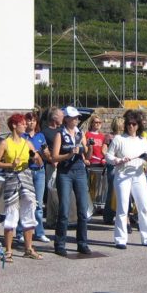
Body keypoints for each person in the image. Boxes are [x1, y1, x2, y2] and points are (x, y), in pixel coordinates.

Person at [0, 114, 43, 262]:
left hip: (26, 179)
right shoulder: (5, 143)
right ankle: (8, 251)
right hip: (11, 179)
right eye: (22, 123)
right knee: (11, 214)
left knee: (29, 212)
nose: (25, 125)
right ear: (14, 125)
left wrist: (35, 156)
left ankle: (29, 248)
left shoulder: (27, 143)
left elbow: (39, 163)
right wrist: (10, 165)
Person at [105, 109, 147, 249]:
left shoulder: (143, 140)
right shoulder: (119, 139)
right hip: (122, 175)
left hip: (138, 175)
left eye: (134, 124)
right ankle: (120, 239)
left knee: (143, 206)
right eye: (128, 123)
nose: (131, 126)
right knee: (122, 207)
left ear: (138, 125)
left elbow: (145, 156)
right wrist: (118, 160)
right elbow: (108, 156)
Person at [52, 106, 93, 256]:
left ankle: (82, 243)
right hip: (65, 173)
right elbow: (54, 157)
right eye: (74, 117)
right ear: (67, 119)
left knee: (83, 209)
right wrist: (68, 155)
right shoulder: (60, 134)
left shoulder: (80, 133)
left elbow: (87, 157)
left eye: (77, 117)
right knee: (64, 208)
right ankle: (60, 244)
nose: (77, 119)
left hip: (80, 171)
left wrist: (90, 148)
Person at [14, 112, 51, 243]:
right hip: (27, 170)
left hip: (40, 171)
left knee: (39, 204)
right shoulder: (22, 137)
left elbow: (47, 155)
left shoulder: (40, 136)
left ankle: (39, 232)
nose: (31, 123)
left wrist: (46, 153)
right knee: (24, 202)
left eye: (34, 121)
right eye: (29, 121)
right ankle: (20, 232)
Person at [103, 116, 125, 225]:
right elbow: (104, 150)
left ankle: (120, 215)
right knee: (112, 191)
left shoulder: (125, 137)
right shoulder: (110, 136)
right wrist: (112, 158)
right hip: (113, 165)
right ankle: (108, 215)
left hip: (123, 165)